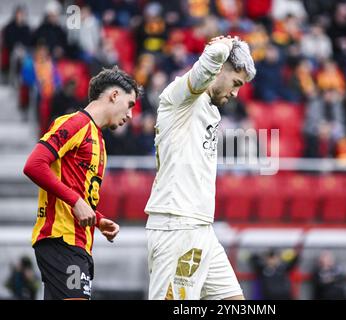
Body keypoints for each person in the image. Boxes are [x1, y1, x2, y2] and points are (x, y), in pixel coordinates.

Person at [144, 35, 256, 300]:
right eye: (236, 83)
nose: (236, 92)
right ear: (219, 70)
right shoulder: (181, 96)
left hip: (202, 227)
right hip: (177, 226)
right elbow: (210, 61)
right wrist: (226, 44)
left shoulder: (210, 108)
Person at [23, 66, 140, 300]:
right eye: (130, 105)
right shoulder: (75, 123)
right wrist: (76, 201)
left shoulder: (99, 141)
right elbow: (34, 165)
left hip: (79, 243)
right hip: (61, 239)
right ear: (114, 95)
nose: (130, 115)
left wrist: (97, 219)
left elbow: (76, 190)